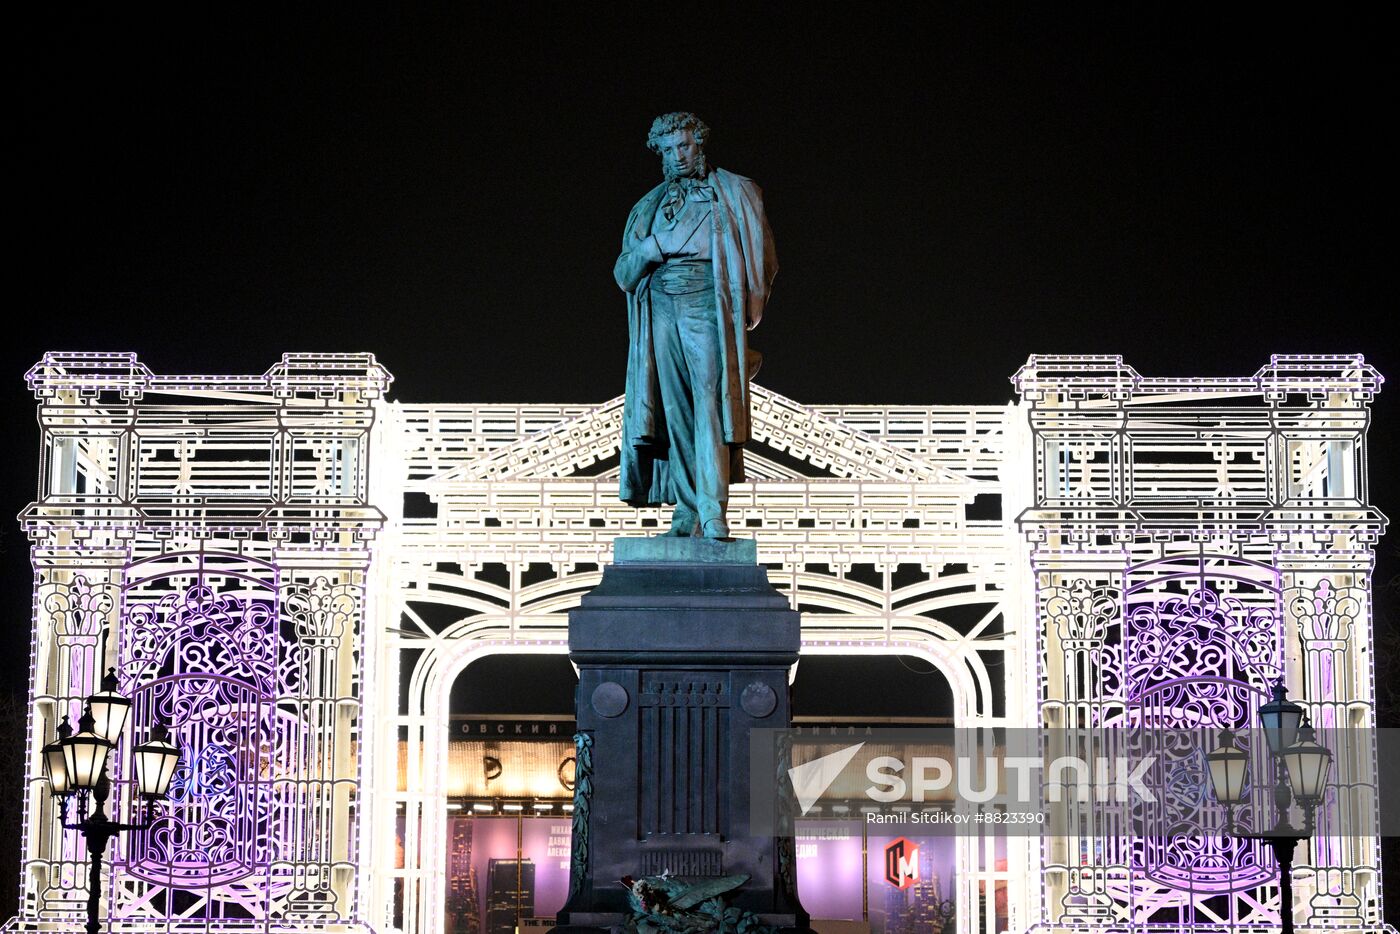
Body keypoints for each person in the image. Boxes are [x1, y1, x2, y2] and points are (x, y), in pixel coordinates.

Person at [614, 112, 777, 539]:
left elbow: (763, 258)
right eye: (668, 150)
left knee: (709, 405)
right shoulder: (646, 208)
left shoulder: (734, 192)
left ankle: (712, 511)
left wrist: (743, 311)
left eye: (683, 146)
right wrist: (653, 246)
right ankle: (686, 510)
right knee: (675, 413)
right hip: (661, 309)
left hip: (708, 300)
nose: (677, 156)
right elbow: (624, 273)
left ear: (699, 144)